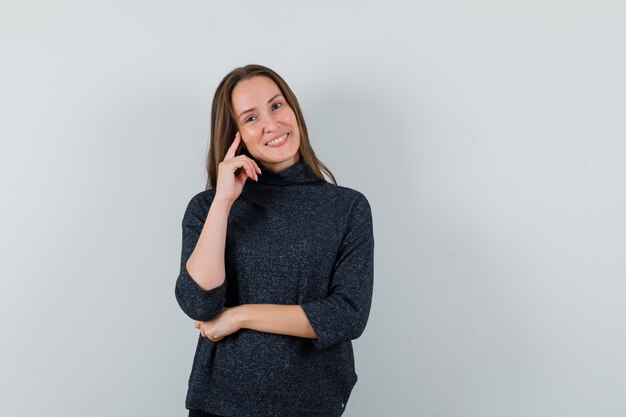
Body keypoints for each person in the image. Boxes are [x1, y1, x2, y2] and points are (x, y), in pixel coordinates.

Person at [175, 64, 375, 417]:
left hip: (311, 404)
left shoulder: (347, 207)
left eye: (277, 105)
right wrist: (222, 202)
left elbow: (347, 316)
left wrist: (240, 316)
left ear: (293, 109)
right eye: (251, 118)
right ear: (234, 133)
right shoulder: (207, 208)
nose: (271, 124)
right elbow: (199, 304)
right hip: (219, 405)